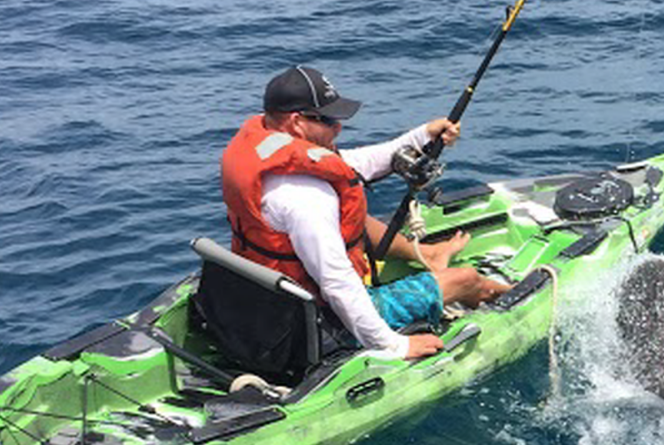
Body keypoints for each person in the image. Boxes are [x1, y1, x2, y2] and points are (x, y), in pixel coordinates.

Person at [205, 64, 509, 373]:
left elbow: (351, 164)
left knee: (353, 215)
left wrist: (422, 136)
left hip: (263, 307)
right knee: (466, 279)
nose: (338, 128)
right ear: (297, 122)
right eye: (328, 120)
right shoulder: (306, 198)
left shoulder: (267, 148)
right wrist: (395, 345)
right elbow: (337, 283)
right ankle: (517, 295)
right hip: (313, 329)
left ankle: (429, 255)